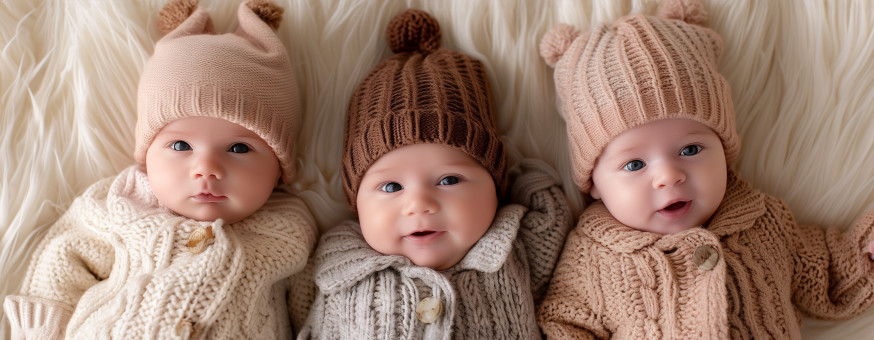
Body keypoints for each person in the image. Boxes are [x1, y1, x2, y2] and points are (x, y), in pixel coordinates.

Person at [535, 0, 874, 338]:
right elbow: (565, 321)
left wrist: (865, 253)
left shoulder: (764, 222)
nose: (668, 176)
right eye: (634, 164)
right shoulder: (592, 257)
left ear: (724, 153)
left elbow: (827, 273)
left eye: (691, 149)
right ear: (594, 183)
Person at [2, 0, 317, 338]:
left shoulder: (289, 229)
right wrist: (44, 327)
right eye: (181, 146)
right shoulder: (123, 203)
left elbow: (313, 307)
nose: (206, 168)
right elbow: (64, 256)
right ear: (147, 155)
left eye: (239, 148)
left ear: (279, 166)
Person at [298, 9, 572, 339]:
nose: (419, 204)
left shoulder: (514, 244)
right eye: (390, 186)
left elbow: (554, 226)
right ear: (355, 203)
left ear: (496, 186)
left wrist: (528, 181)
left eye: (449, 180)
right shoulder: (337, 265)